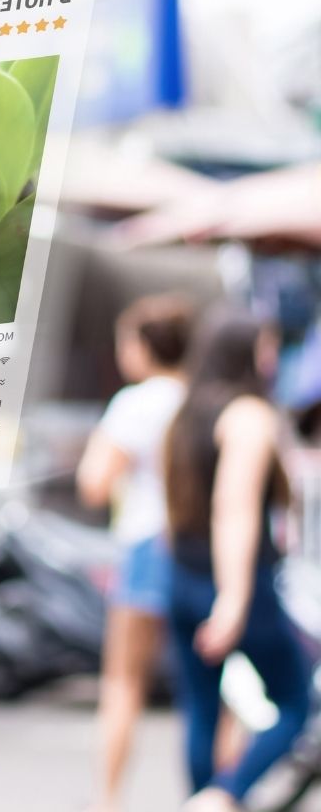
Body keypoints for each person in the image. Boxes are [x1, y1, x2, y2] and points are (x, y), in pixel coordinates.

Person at [165, 310, 312, 811]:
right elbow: (235, 509)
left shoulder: (188, 411)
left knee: (201, 707)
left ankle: (202, 797)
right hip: (234, 583)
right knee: (297, 701)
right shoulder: (248, 414)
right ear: (245, 352)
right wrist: (233, 598)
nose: (272, 360)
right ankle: (225, 794)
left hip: (183, 575)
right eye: (267, 348)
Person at [76, 294, 193, 812]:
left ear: (143, 346)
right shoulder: (206, 399)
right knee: (207, 684)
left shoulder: (135, 403)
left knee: (125, 681)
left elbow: (94, 484)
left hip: (146, 545)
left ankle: (110, 800)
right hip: (198, 549)